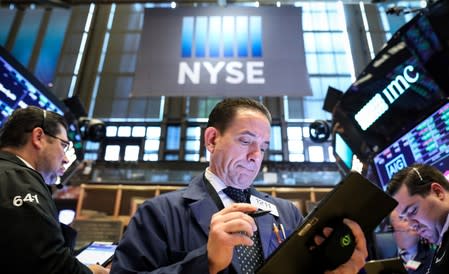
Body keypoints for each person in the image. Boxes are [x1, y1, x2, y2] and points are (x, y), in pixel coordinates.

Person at [111, 97, 367, 274]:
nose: (256, 155)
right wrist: (206, 262)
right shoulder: (159, 213)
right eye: (246, 141)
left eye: (264, 146)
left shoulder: (286, 213)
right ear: (212, 140)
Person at [0, 106, 108, 274]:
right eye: (64, 146)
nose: (65, 159)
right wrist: (93, 272)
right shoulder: (21, 181)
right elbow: (52, 265)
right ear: (38, 137)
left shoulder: (10, 174)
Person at [386, 163, 449, 274]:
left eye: (412, 211)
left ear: (438, 192)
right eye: (404, 218)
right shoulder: (441, 246)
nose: (411, 225)